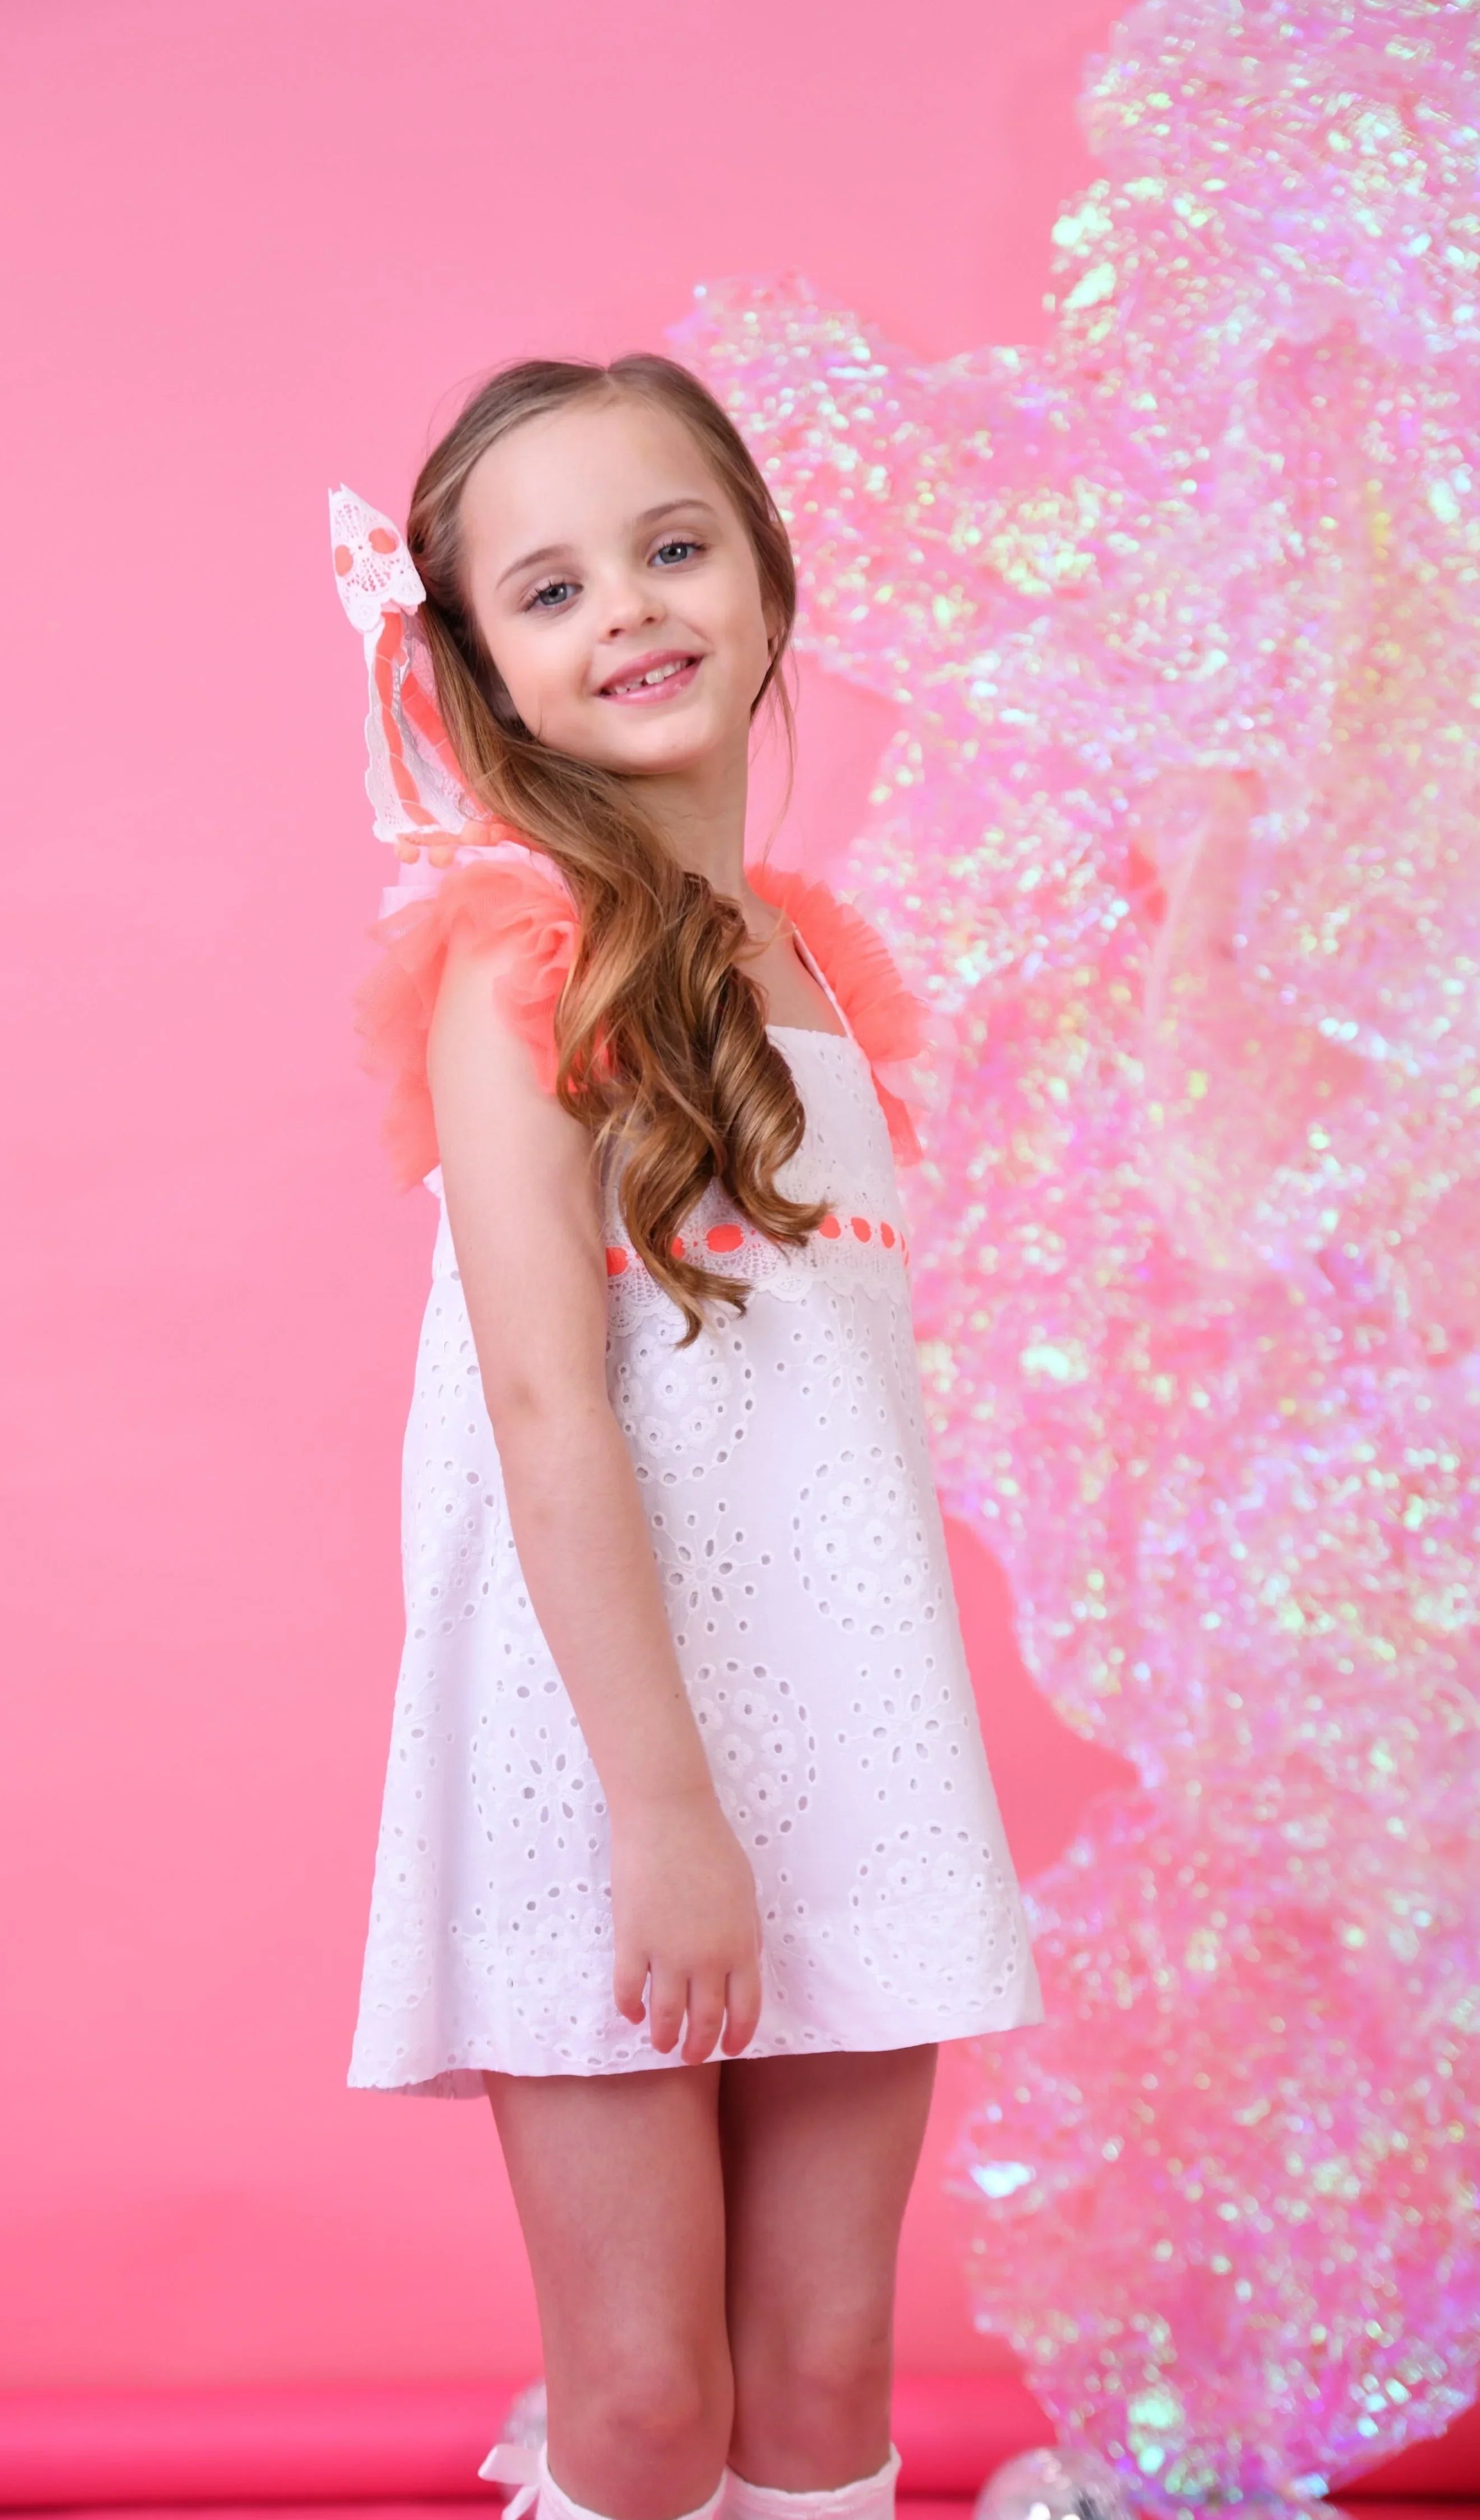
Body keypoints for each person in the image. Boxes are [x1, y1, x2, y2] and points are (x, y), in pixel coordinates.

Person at [339, 355, 1044, 2520]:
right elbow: (551, 1407)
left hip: (842, 1717)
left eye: (671, 546)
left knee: (826, 2374)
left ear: (762, 578)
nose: (627, 609)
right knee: (646, 2405)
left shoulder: (819, 966)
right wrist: (667, 1810)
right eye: (545, 590)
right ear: (485, 677)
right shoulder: (516, 966)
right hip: (611, 1747)